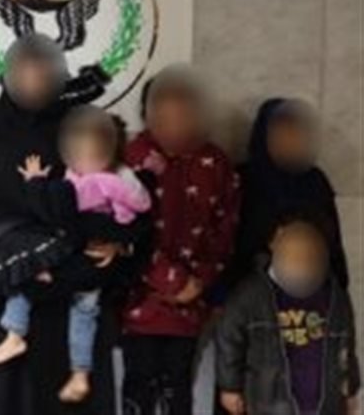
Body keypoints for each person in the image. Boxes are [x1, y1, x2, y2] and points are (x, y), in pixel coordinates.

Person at [0, 34, 151, 415]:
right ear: (8, 75)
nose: (34, 83)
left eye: (43, 74)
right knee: (2, 395)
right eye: (25, 73)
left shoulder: (78, 124)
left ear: (59, 76)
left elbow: (111, 195)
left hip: (70, 285)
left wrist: (115, 240)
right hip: (5, 292)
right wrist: (29, 251)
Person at [0, 107, 151, 404]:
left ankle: (74, 369)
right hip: (74, 253)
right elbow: (57, 210)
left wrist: (118, 241)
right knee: (31, 281)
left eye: (95, 153)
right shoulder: (74, 174)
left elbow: (134, 214)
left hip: (92, 260)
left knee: (82, 311)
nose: (87, 160)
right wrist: (37, 182)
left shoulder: (114, 179)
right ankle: (21, 338)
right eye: (80, 153)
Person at [121, 64, 240, 415]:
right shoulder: (132, 159)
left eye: (185, 115)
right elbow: (123, 230)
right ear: (148, 114)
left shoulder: (215, 163)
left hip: (190, 307)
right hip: (139, 303)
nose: (175, 126)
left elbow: (225, 230)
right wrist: (168, 279)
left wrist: (198, 282)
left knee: (178, 389)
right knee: (139, 387)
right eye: (165, 116)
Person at [216, 210, 360, 415]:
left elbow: (346, 346)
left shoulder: (335, 296)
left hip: (324, 404)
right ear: (274, 243)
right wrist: (230, 386)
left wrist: (350, 389)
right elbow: (229, 340)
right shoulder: (251, 293)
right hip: (269, 402)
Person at [222, 98, 349, 295]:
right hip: (250, 296)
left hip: (309, 295)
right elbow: (227, 243)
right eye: (280, 135)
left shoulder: (315, 182)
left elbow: (332, 245)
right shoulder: (242, 179)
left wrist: (338, 293)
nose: (288, 142)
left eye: (295, 134)